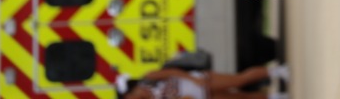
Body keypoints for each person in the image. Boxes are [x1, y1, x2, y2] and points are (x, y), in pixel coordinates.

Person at [115, 63, 290, 99]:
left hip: (200, 81)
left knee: (238, 81)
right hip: (202, 97)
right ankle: (274, 97)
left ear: (132, 89)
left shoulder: (149, 78)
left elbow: (173, 71)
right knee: (239, 98)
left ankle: (277, 71)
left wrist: (192, 78)